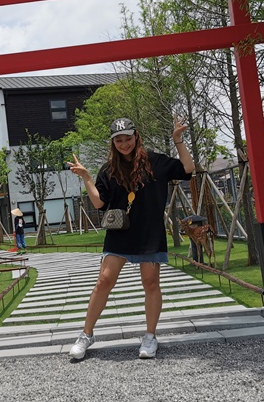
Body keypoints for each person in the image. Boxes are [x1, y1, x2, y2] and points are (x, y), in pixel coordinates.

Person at [66, 116, 193, 360]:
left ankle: (150, 337)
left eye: (128, 138)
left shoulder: (156, 161)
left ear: (136, 137)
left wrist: (178, 140)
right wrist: (86, 177)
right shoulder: (108, 169)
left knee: (151, 282)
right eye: (118, 140)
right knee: (104, 280)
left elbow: (188, 169)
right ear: (113, 143)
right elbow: (99, 203)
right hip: (119, 233)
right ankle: (86, 335)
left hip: (149, 233)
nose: (124, 144)